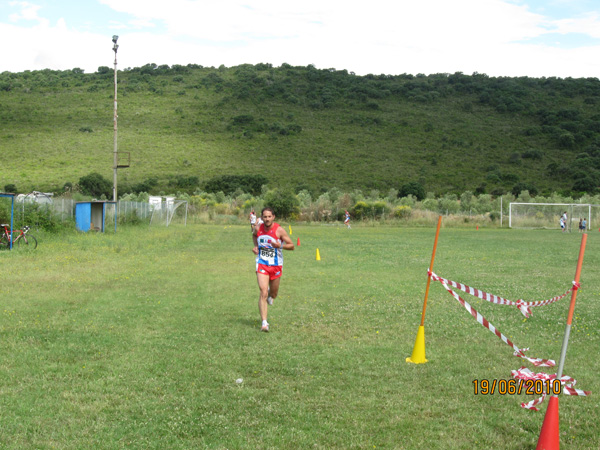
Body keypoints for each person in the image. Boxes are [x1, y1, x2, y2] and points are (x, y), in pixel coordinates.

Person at [252, 207, 294, 332]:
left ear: (273, 217)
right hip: (262, 263)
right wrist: (256, 247)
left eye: (269, 216)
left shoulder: (279, 230)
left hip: (276, 265)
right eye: (265, 217)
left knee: (273, 293)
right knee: (263, 292)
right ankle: (264, 323)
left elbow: (292, 246)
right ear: (262, 217)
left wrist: (280, 245)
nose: (267, 219)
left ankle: (271, 296)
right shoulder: (258, 228)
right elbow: (254, 236)